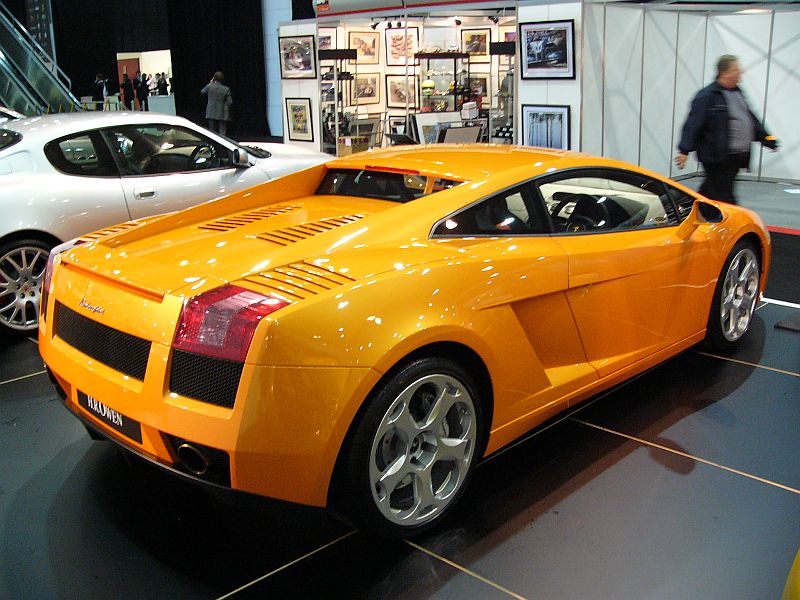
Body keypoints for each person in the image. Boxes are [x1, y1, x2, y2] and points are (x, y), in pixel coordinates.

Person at [675, 55, 779, 204]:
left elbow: (750, 120)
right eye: (736, 69)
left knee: (710, 192)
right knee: (724, 195)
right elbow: (693, 123)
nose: (740, 72)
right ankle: (734, 222)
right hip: (716, 156)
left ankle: (682, 210)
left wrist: (767, 139)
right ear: (724, 73)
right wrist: (684, 150)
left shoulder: (738, 93)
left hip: (735, 157)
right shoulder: (707, 96)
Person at [201, 71, 232, 135]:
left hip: (211, 111)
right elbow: (230, 102)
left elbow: (202, 92)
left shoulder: (209, 87)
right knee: (222, 131)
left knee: (212, 131)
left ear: (214, 78)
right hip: (222, 112)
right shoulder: (226, 89)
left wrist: (210, 83)